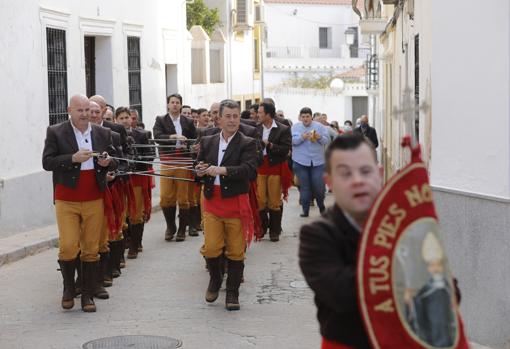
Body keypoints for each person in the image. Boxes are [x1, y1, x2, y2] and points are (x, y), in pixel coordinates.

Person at [299, 134, 383, 348]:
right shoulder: (317, 234)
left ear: (379, 174)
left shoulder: (407, 225)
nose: (357, 181)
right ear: (329, 182)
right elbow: (342, 294)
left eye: (366, 171)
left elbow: (449, 294)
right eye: (345, 174)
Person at [42, 94, 115, 313]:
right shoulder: (56, 132)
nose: (85, 114)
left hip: (94, 197)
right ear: (69, 110)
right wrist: (72, 159)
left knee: (91, 248)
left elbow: (114, 160)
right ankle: (68, 288)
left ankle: (87, 294)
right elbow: (47, 162)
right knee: (68, 246)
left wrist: (107, 162)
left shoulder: (103, 133)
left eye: (87, 110)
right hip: (67, 198)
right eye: (80, 110)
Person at [195, 99, 258, 311]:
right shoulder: (208, 140)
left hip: (236, 202)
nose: (232, 120)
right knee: (212, 247)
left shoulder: (247, 142)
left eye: (236, 116)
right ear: (219, 119)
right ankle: (215, 279)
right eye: (228, 116)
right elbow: (199, 164)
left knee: (236, 250)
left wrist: (223, 170)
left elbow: (250, 170)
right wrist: (200, 170)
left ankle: (232, 292)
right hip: (212, 201)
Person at [153, 94, 197, 242]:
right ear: (168, 105)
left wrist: (190, 145)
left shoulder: (188, 122)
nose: (175, 105)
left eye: (177, 102)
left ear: (181, 105)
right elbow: (157, 136)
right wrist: (172, 137)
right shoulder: (161, 120)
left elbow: (194, 139)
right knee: (166, 197)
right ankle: (170, 226)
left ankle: (182, 230)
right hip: (167, 161)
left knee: (183, 198)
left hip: (183, 161)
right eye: (172, 102)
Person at [256, 102, 292, 241]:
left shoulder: (283, 129)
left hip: (275, 167)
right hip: (260, 167)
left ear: (268, 114)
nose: (258, 115)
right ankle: (263, 227)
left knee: (274, 201)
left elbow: (285, 150)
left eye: (260, 113)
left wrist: (270, 145)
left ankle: (275, 230)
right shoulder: (256, 128)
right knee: (260, 200)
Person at [291, 107, 330, 217]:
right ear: (300, 117)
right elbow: (292, 141)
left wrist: (319, 137)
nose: (305, 119)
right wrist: (302, 137)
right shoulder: (295, 127)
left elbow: (326, 140)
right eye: (303, 117)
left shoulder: (320, 127)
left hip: (317, 161)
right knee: (305, 186)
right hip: (300, 161)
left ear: (311, 117)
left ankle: (321, 206)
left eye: (307, 116)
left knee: (318, 185)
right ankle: (305, 210)